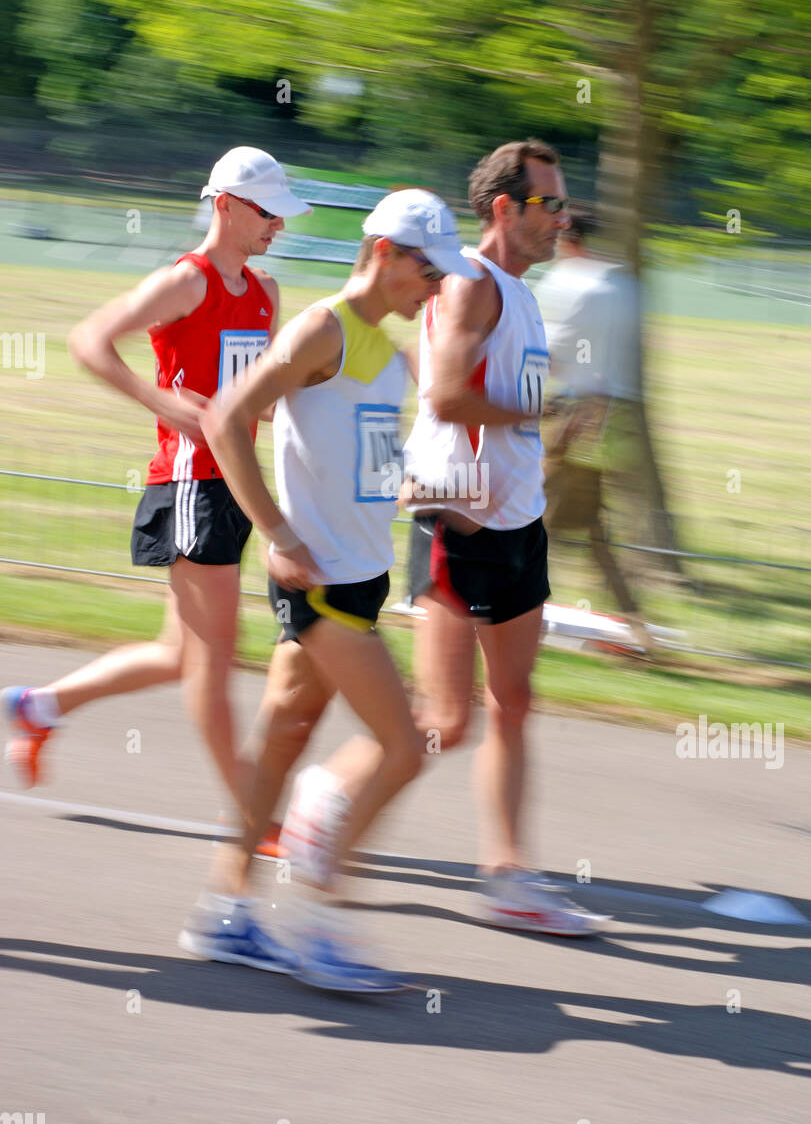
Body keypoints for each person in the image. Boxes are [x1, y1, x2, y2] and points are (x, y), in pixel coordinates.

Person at [178, 189, 480, 991]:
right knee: (407, 747)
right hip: (321, 591)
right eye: (427, 268)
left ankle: (227, 913)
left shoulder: (386, 351)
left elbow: (363, 462)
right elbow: (225, 422)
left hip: (360, 578)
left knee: (280, 738)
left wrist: (424, 494)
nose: (437, 286)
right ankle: (317, 926)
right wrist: (277, 534)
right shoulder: (322, 329)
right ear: (383, 252)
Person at [4, 146, 307, 856]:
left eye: (282, 215)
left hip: (230, 483)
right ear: (226, 205)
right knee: (212, 666)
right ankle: (252, 815)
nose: (278, 227)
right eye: (268, 212)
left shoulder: (264, 292)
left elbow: (246, 395)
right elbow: (89, 340)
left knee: (179, 655)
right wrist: (163, 404)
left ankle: (37, 705)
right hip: (189, 486)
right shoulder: (186, 281)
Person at [402, 140, 609, 936]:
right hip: (459, 519)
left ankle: (509, 877)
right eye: (549, 204)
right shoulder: (469, 287)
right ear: (504, 209)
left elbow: (504, 402)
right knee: (445, 722)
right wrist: (539, 415)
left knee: (515, 703)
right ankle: (327, 803)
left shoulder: (520, 293)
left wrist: (550, 422)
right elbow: (448, 396)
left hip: (517, 521)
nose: (563, 218)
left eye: (561, 205)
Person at [536, 200, 654, 652]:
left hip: (577, 415)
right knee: (590, 528)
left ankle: (514, 611)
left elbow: (548, 355)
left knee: (535, 517)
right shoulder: (624, 284)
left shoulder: (566, 281)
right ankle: (635, 623)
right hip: (619, 416)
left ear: (565, 235)